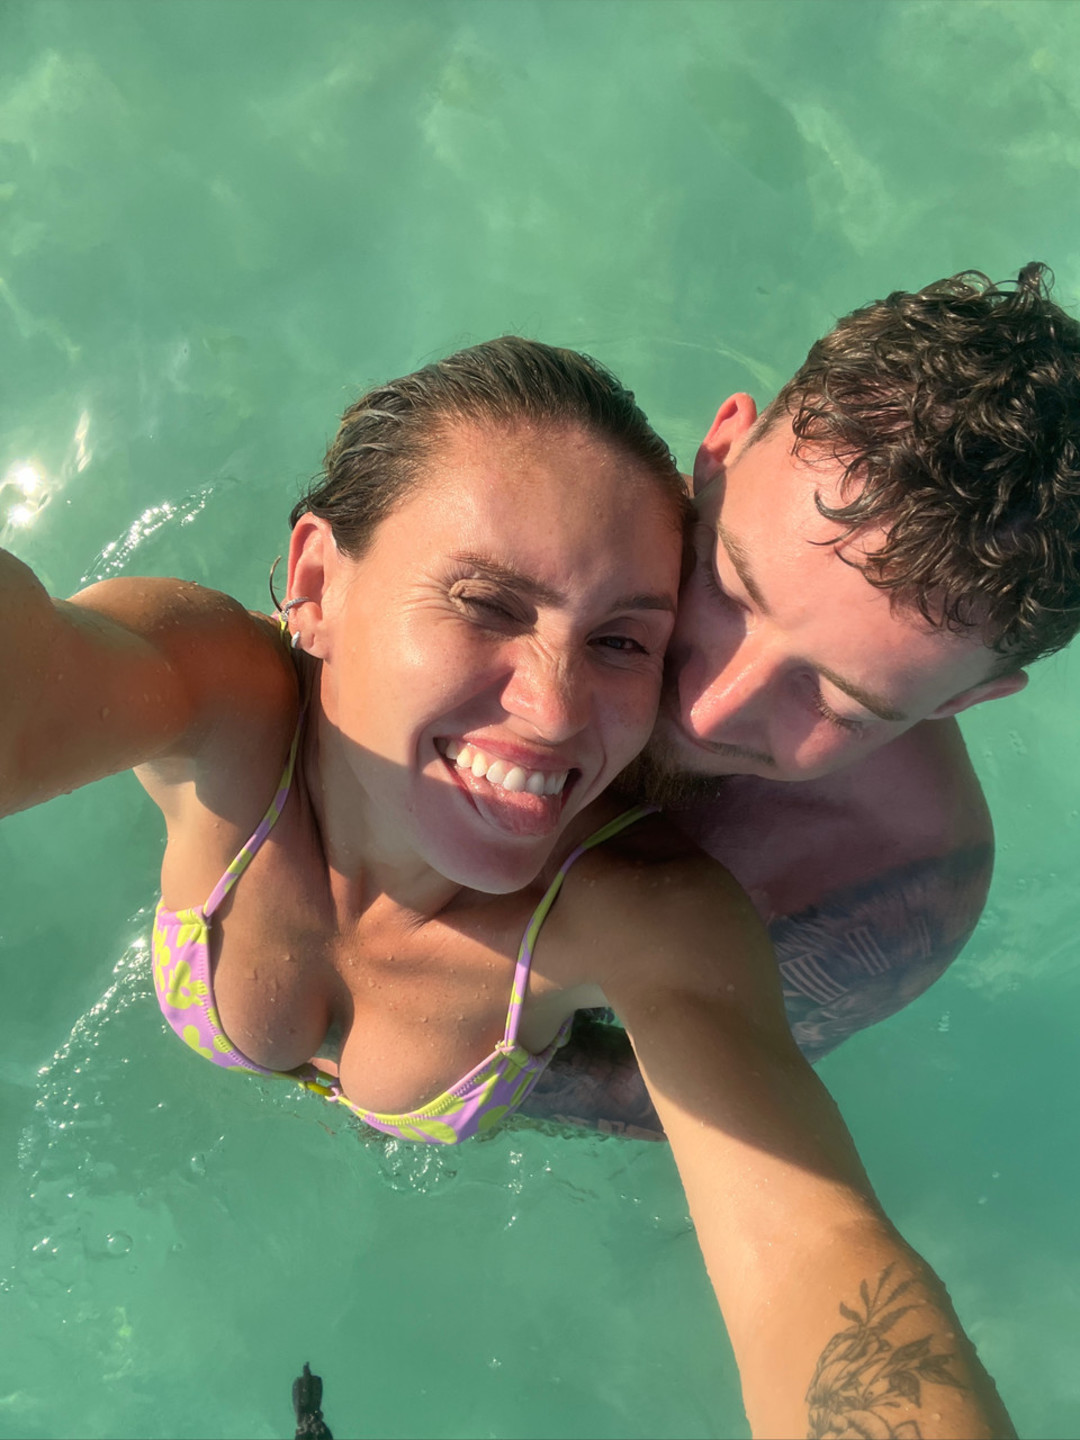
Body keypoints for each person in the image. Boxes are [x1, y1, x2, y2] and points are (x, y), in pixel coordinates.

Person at [1, 339, 1013, 1436]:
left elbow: (816, 1258)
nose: (555, 710)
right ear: (316, 586)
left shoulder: (646, 915)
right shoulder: (221, 695)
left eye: (623, 640)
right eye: (486, 604)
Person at [528, 263, 1080, 1134]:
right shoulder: (519, 528)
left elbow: (649, 1097)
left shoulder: (887, 889)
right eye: (726, 586)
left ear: (964, 700)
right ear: (717, 455)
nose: (707, 711)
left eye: (836, 704)